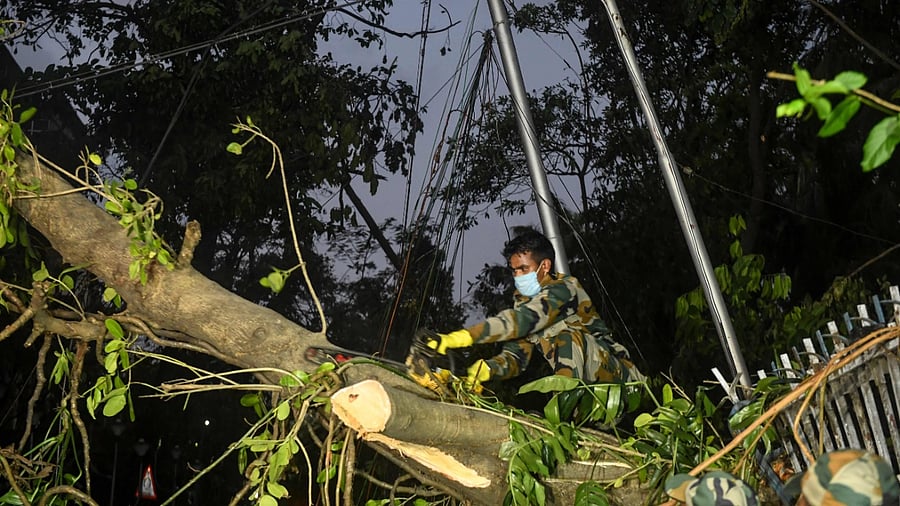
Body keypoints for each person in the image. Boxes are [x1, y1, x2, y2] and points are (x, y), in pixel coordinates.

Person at [426, 228, 643, 389]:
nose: (518, 276)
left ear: (545, 266)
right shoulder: (523, 302)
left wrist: (460, 337)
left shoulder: (565, 287)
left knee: (567, 337)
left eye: (523, 269)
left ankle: (565, 417)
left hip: (622, 381)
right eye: (514, 271)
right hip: (591, 391)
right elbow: (516, 358)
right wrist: (486, 369)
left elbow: (523, 320)